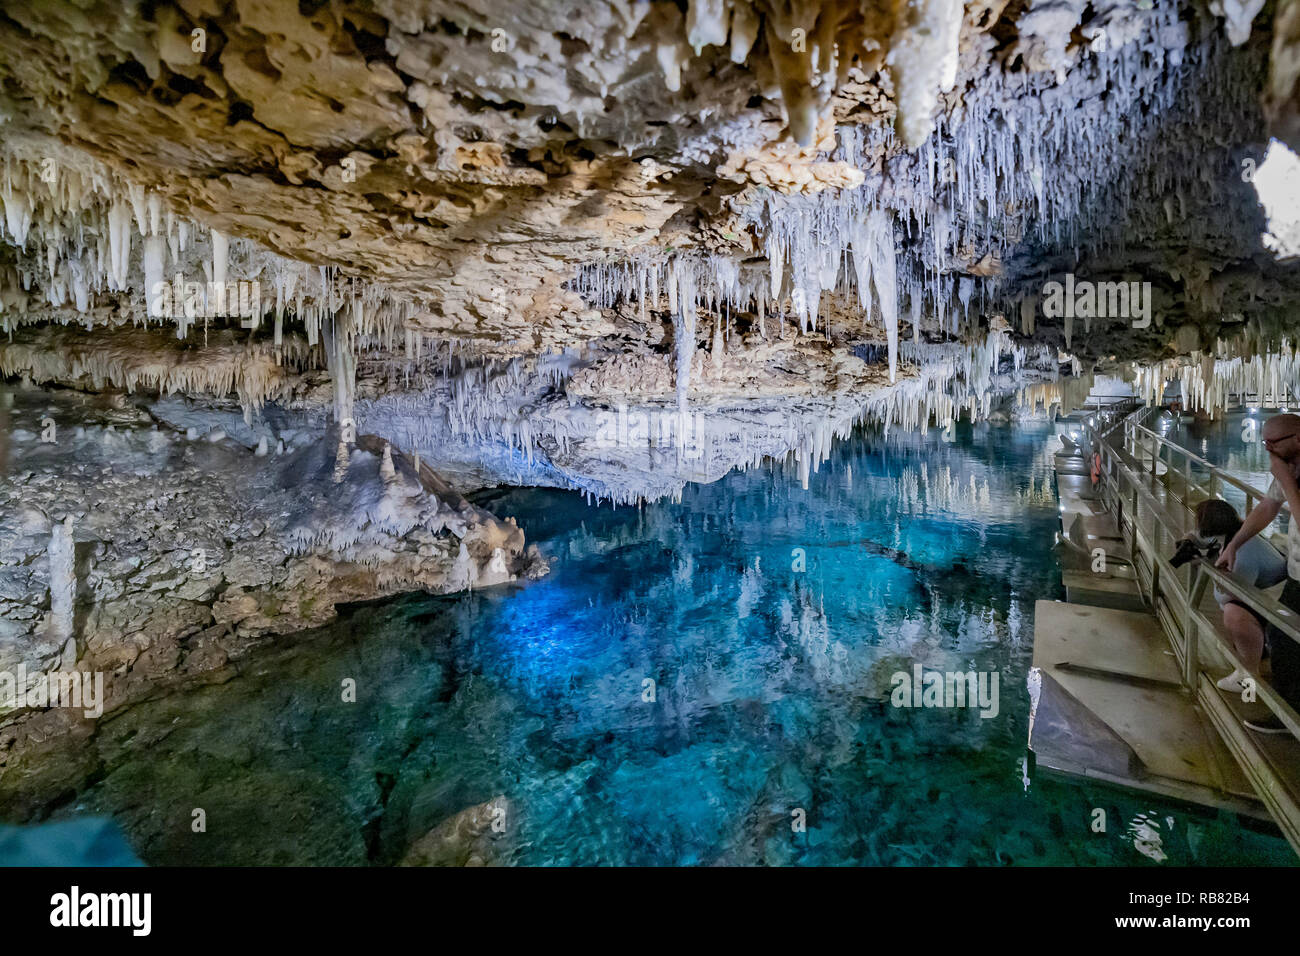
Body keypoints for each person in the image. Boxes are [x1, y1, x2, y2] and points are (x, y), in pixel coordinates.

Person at [1217, 413, 1300, 733]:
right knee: (1283, 635)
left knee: (1286, 637)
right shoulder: (1289, 466)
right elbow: (1268, 506)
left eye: (1271, 443)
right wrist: (1234, 544)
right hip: (1296, 573)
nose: (1267, 450)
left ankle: (1290, 714)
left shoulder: (1288, 470)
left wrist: (1287, 479)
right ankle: (1289, 710)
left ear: (1297, 438)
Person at [1177, 499, 1286, 693]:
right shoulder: (1235, 535)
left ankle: (1249, 676)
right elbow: (1198, 539)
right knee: (1233, 608)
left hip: (1278, 605)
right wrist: (1192, 543)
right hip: (1270, 596)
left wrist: (1208, 564)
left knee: (1233, 612)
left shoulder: (1243, 551)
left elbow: (1230, 595)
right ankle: (1260, 653)